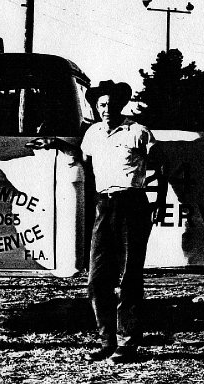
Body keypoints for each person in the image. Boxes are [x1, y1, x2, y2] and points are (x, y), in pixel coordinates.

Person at [31, 80, 167, 363]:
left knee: (130, 277)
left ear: (121, 104)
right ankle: (107, 340)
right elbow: (82, 161)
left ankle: (128, 345)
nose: (106, 109)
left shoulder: (137, 131)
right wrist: (55, 143)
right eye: (101, 105)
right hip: (104, 206)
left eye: (111, 104)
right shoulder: (92, 133)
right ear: (95, 106)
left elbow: (162, 166)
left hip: (132, 203)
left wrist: (159, 203)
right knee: (97, 279)